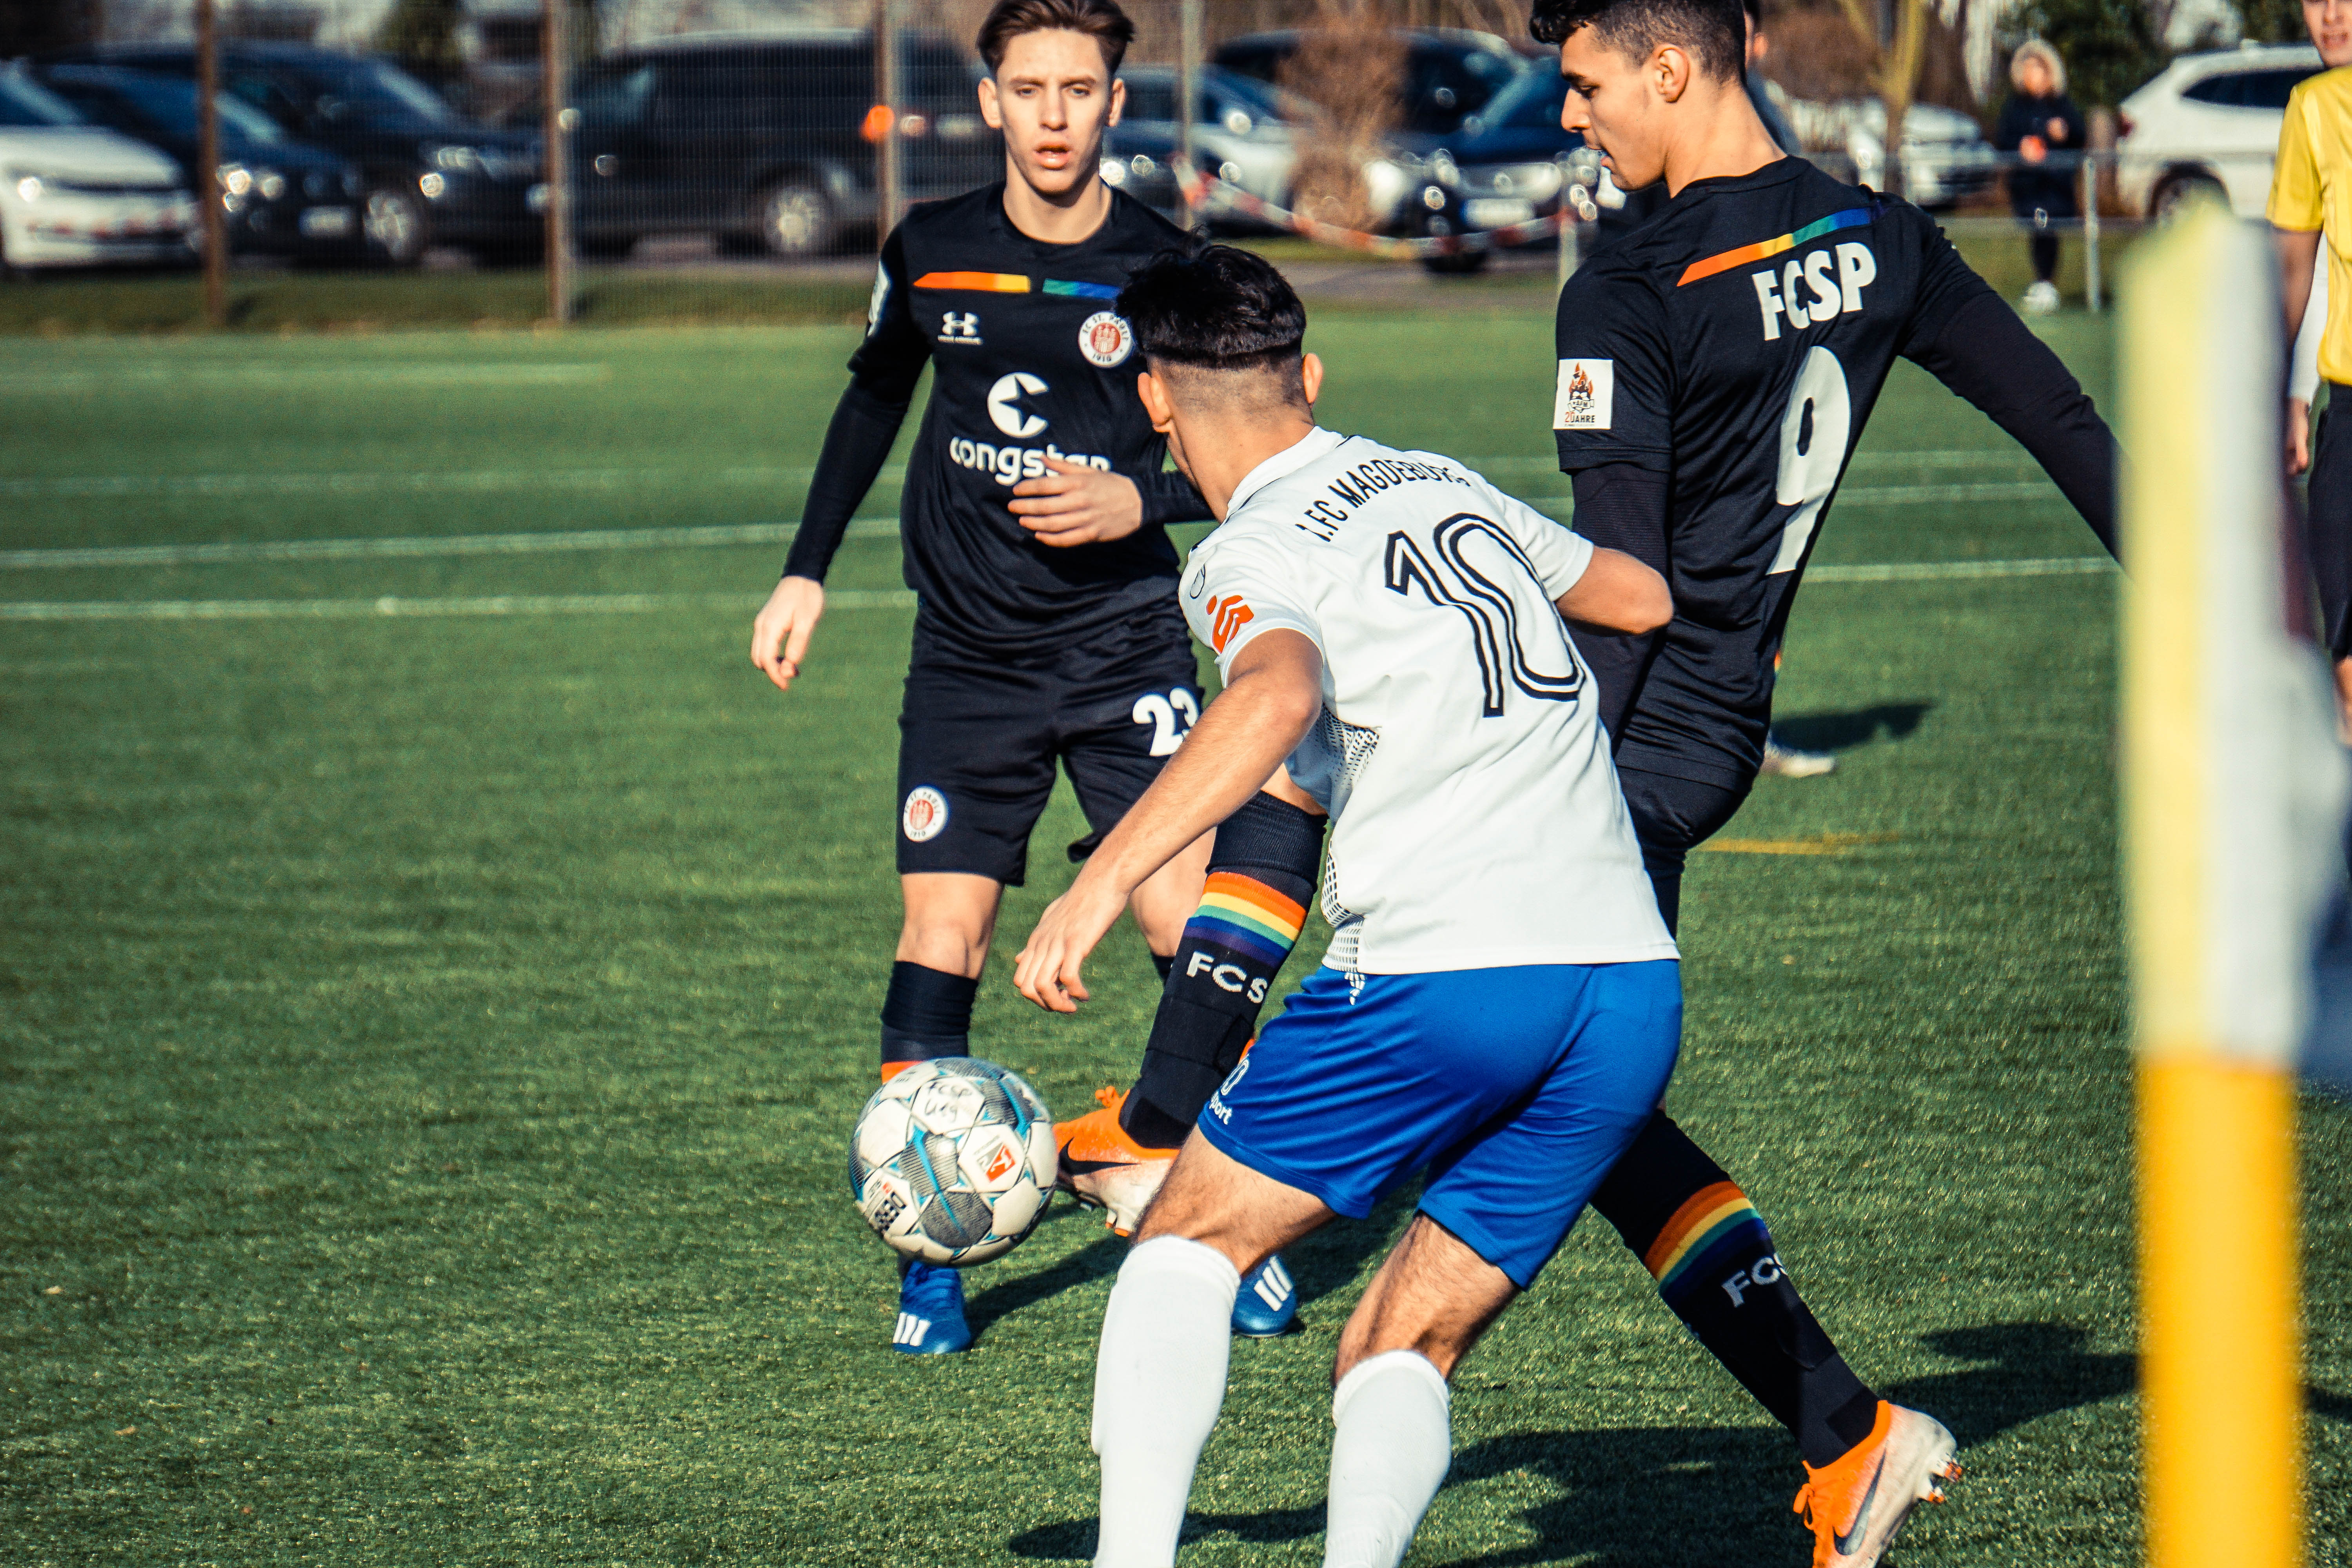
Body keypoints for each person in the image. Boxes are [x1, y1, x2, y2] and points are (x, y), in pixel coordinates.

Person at [1539, 0, 2118, 1557]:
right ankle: (1842, 1429)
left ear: (1673, 66)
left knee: (1512, 1067)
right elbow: (2063, 419)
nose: (1574, 118)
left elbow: (1626, 587)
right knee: (1575, 1101)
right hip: (1721, 727)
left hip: (1630, 739)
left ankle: (1198, 1158)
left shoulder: (1631, 285)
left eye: (1587, 85)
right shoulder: (1882, 237)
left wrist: (1536, 773)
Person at [1012, 243, 1688, 1568]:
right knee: (1400, 1339)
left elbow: (1271, 700)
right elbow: (1639, 596)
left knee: (1183, 1237)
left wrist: (1096, 884)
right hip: (1625, 984)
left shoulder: (1243, 550)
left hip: (1449, 973)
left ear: (1155, 402)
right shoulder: (1439, 479)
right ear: (1308, 375)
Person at [748, 0, 1222, 1357]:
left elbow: (1234, 447)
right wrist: (805, 569)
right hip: (968, 658)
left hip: (1127, 643)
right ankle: (932, 1255)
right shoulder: (932, 252)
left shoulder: (1165, 265)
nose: (1059, 113)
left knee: (1190, 936)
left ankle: (1219, 1221)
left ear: (1118, 102)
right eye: (1034, 87)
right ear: (992, 101)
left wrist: (1138, 503)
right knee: (939, 942)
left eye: (1084, 86)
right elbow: (872, 397)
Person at [2272, 0, 2352, 735]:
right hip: (2350, 419)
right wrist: (2286, 397)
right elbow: (2305, 269)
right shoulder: (2315, 111)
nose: (2329, 16)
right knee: (2349, 670)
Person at [1993, 40, 2086, 317]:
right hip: (2027, 185)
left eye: (2039, 70)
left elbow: (2079, 136)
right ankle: (2042, 281)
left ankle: (2047, 282)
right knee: (2036, 228)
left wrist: (2064, 132)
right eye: (2028, 70)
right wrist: (2021, 146)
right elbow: (2003, 139)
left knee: (2047, 228)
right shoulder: (2015, 107)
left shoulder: (2062, 105)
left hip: (2054, 185)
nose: (2033, 76)